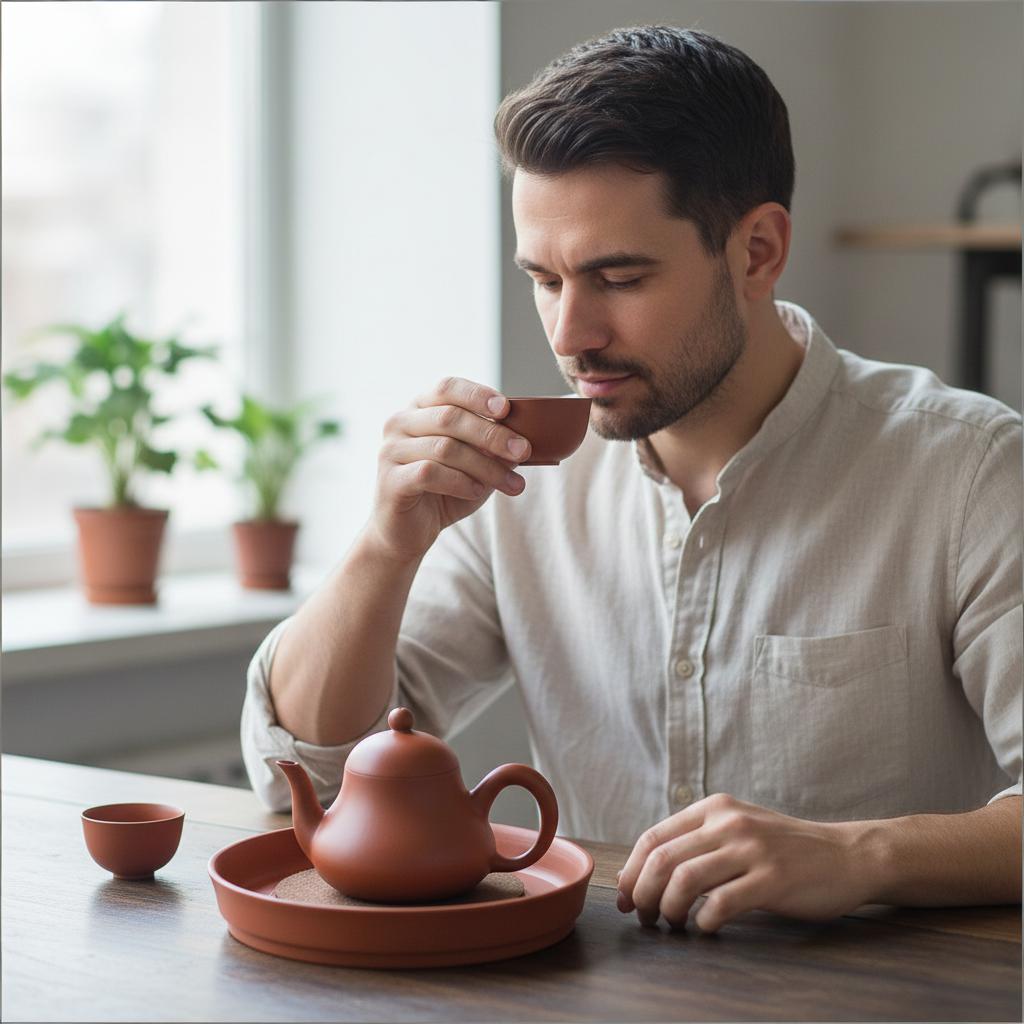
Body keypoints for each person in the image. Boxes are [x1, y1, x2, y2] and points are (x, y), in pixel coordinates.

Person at [241, 25, 1022, 932]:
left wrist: (859, 853)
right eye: (544, 278)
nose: (570, 334)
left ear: (758, 251)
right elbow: (305, 774)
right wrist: (385, 544)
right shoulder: (517, 484)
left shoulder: (967, 473)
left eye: (618, 277)